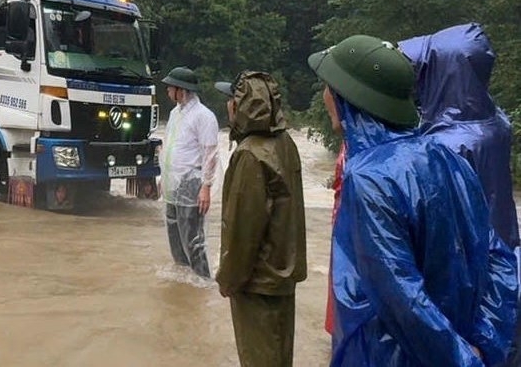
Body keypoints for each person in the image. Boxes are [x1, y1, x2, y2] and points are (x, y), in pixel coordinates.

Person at [311, 34, 517, 367]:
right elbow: (499, 258)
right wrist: (483, 345)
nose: (324, 97)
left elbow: (399, 296)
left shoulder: (368, 177)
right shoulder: (447, 158)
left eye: (327, 88)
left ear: (346, 97)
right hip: (460, 344)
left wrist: (461, 360)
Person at [214, 71, 306, 367]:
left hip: (257, 284)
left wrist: (228, 279)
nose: (228, 105)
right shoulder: (286, 144)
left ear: (241, 105)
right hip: (282, 277)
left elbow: (242, 230)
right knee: (280, 357)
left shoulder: (250, 155)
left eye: (231, 99)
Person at [158, 66, 219, 279]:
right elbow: (170, 147)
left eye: (170, 88)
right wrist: (163, 178)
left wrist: (206, 187)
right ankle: (184, 281)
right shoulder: (176, 114)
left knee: (193, 240)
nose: (167, 91)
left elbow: (210, 153)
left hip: (191, 184)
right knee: (175, 236)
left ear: (181, 90)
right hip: (172, 185)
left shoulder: (204, 116)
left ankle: (202, 281)